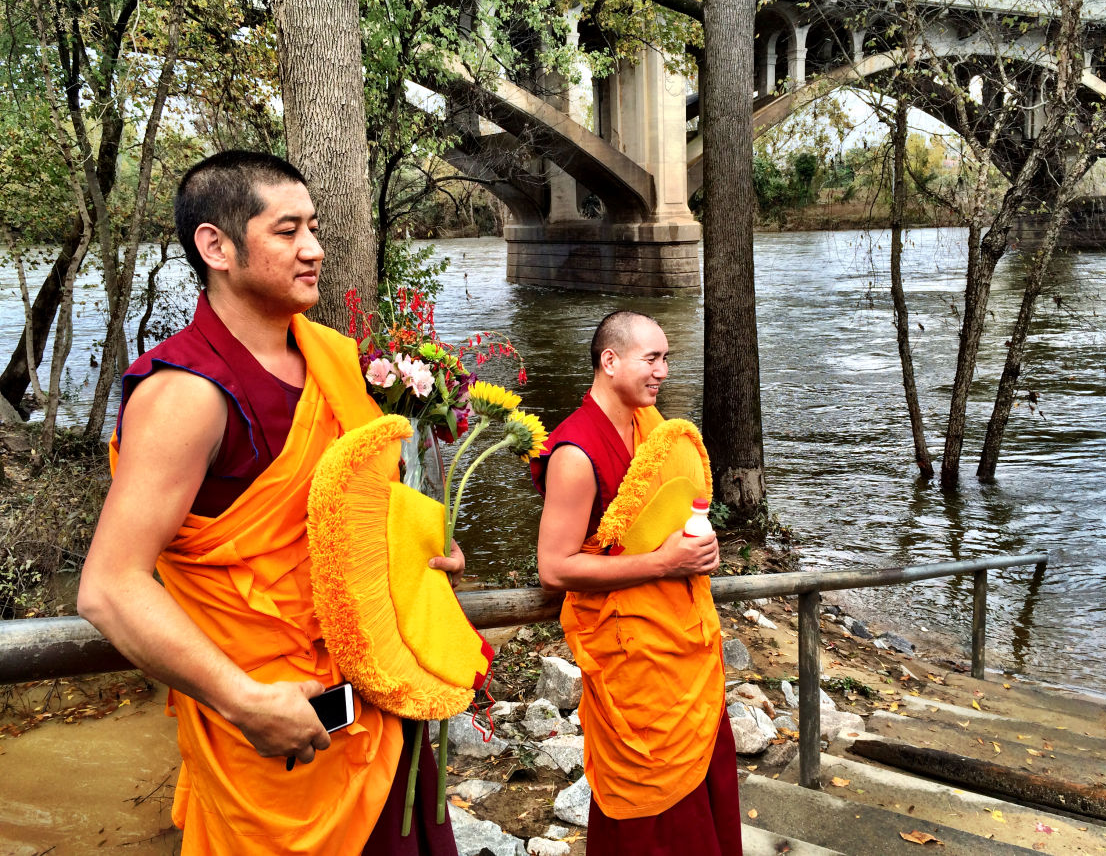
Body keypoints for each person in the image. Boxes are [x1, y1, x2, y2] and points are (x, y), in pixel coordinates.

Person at [77, 151, 460, 855]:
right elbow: (109, 587)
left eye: (313, 228)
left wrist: (416, 552)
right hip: (276, 728)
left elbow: (356, 515)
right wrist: (243, 700)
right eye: (287, 232)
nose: (314, 249)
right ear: (215, 246)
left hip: (375, 699)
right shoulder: (186, 394)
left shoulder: (335, 360)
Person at [532, 311, 743, 856]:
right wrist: (664, 564)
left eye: (666, 359)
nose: (664, 372)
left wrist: (697, 546)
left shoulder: (649, 430)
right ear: (610, 361)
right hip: (633, 664)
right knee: (650, 808)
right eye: (652, 359)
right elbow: (554, 568)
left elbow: (666, 522)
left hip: (682, 650)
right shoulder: (576, 453)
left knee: (705, 786)